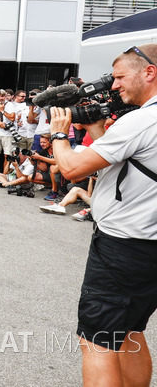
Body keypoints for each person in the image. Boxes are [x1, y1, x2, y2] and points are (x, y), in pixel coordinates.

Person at [49, 44, 157, 386]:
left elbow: (70, 168)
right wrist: (98, 127)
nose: (114, 85)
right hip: (149, 246)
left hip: (122, 249)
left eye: (121, 76)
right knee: (130, 332)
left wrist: (58, 133)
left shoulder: (142, 120)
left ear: (149, 72)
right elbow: (133, 160)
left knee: (97, 342)